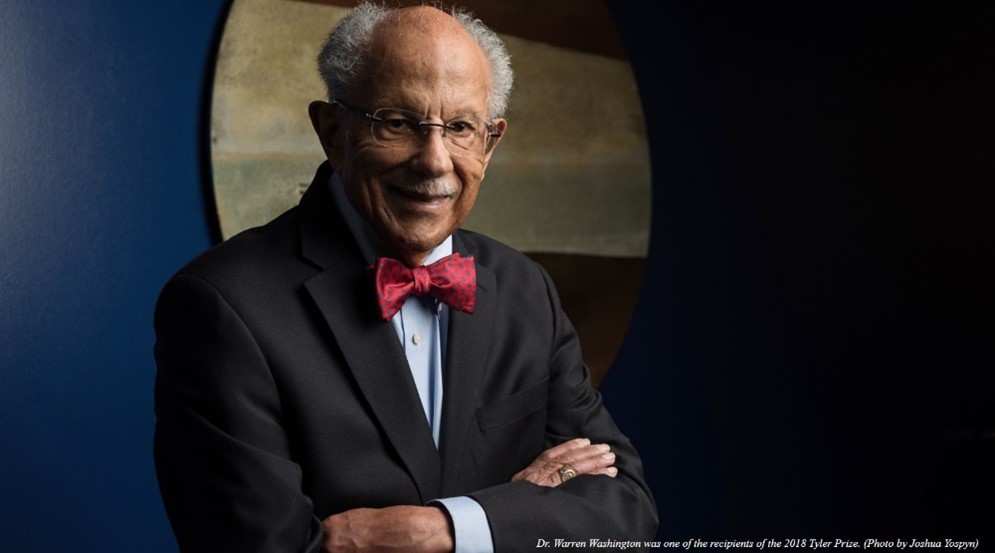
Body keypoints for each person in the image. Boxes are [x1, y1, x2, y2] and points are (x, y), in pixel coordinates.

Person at [152, 2, 658, 551]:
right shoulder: (222, 306)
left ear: (489, 144)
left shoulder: (525, 289)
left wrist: (444, 528)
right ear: (332, 133)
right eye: (396, 123)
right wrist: (520, 513)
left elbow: (626, 509)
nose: (435, 161)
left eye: (460, 127)